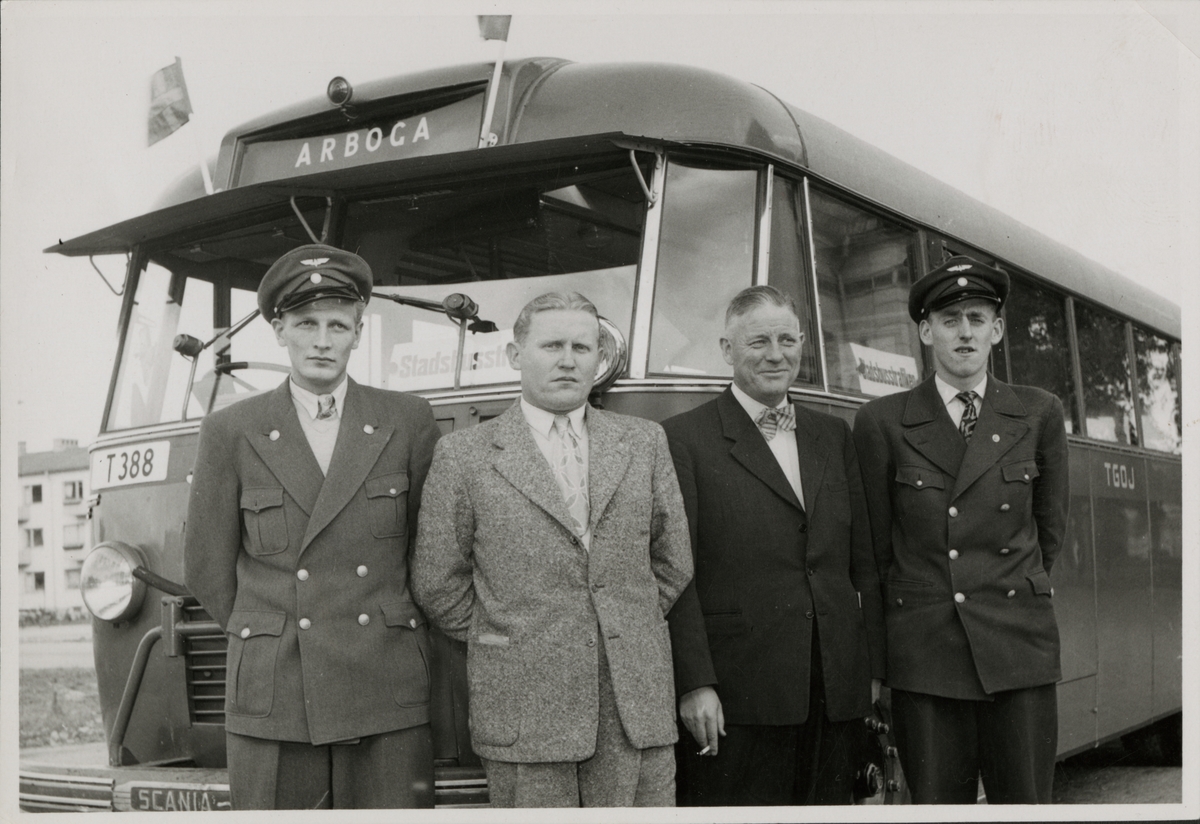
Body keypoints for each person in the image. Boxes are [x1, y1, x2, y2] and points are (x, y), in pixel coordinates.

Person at [184, 244, 441, 809]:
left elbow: (433, 554)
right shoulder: (232, 429)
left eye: (337, 325)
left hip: (384, 678)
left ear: (358, 331)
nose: (322, 340)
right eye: (306, 324)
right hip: (277, 689)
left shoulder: (407, 419)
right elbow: (205, 565)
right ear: (279, 330)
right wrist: (270, 631)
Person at [412, 291, 693, 808]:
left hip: (633, 708)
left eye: (583, 348)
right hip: (526, 710)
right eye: (552, 345)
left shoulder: (644, 441)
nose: (569, 359)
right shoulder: (463, 455)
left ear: (598, 359)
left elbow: (673, 561)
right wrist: (511, 635)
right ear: (516, 356)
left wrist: (624, 625)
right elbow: (437, 581)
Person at [852, 255, 1069, 803]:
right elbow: (877, 556)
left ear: (997, 329)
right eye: (950, 321)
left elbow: (1049, 536)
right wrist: (881, 671)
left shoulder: (1038, 413)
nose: (964, 333)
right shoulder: (882, 422)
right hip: (927, 658)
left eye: (977, 318)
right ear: (926, 332)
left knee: (1026, 807)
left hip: (1017, 649)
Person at [661, 285, 886, 806]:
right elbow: (675, 573)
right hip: (738, 695)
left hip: (834, 690)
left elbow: (863, 563)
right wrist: (694, 684)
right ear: (726, 350)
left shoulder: (834, 435)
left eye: (787, 339)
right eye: (758, 341)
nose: (775, 353)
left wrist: (869, 672)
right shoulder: (682, 439)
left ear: (803, 343)